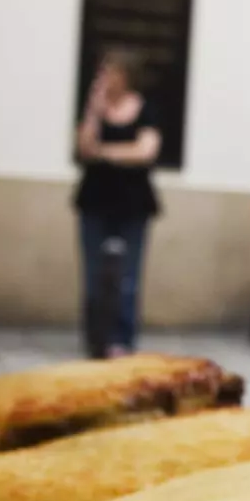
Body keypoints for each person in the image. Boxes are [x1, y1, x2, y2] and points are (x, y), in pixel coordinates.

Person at [73, 49, 161, 357]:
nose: (107, 78)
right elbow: (84, 148)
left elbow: (145, 151)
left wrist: (106, 153)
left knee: (128, 277)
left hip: (132, 203)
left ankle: (122, 339)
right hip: (95, 200)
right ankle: (96, 338)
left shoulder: (145, 109)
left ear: (126, 76)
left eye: (112, 72)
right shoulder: (95, 109)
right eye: (104, 71)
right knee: (94, 274)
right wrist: (93, 110)